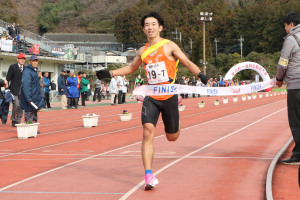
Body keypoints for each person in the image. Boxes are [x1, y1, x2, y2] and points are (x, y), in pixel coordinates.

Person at [96, 12, 207, 190]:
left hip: (169, 96)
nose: (150, 27)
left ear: (160, 27)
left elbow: (186, 62)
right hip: (151, 95)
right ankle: (148, 175)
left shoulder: (170, 46)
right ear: (143, 29)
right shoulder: (143, 51)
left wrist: (201, 75)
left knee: (172, 137)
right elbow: (132, 68)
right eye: (147, 25)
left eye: (153, 24)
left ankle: (176, 123)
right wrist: (110, 73)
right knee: (148, 131)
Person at [276, 12, 300, 165]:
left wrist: (279, 79)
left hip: (296, 85)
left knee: (296, 121)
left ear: (291, 24)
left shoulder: (291, 39)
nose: (285, 29)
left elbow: (282, 63)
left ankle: (298, 155)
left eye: (285, 25)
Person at [20, 55, 45, 130]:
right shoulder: (27, 72)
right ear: (30, 62)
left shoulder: (34, 71)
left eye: (36, 61)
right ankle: (29, 130)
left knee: (34, 114)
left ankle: (33, 129)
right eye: (33, 61)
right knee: (29, 113)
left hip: (34, 97)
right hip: (30, 98)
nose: (35, 62)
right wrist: (28, 98)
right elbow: (26, 86)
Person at [6, 53, 26, 127]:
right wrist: (7, 89)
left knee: (21, 106)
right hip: (14, 90)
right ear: (17, 59)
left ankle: (18, 120)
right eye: (21, 58)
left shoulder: (26, 68)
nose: (22, 60)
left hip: (23, 90)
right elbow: (7, 79)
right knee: (16, 105)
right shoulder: (12, 67)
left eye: (23, 59)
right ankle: (13, 119)